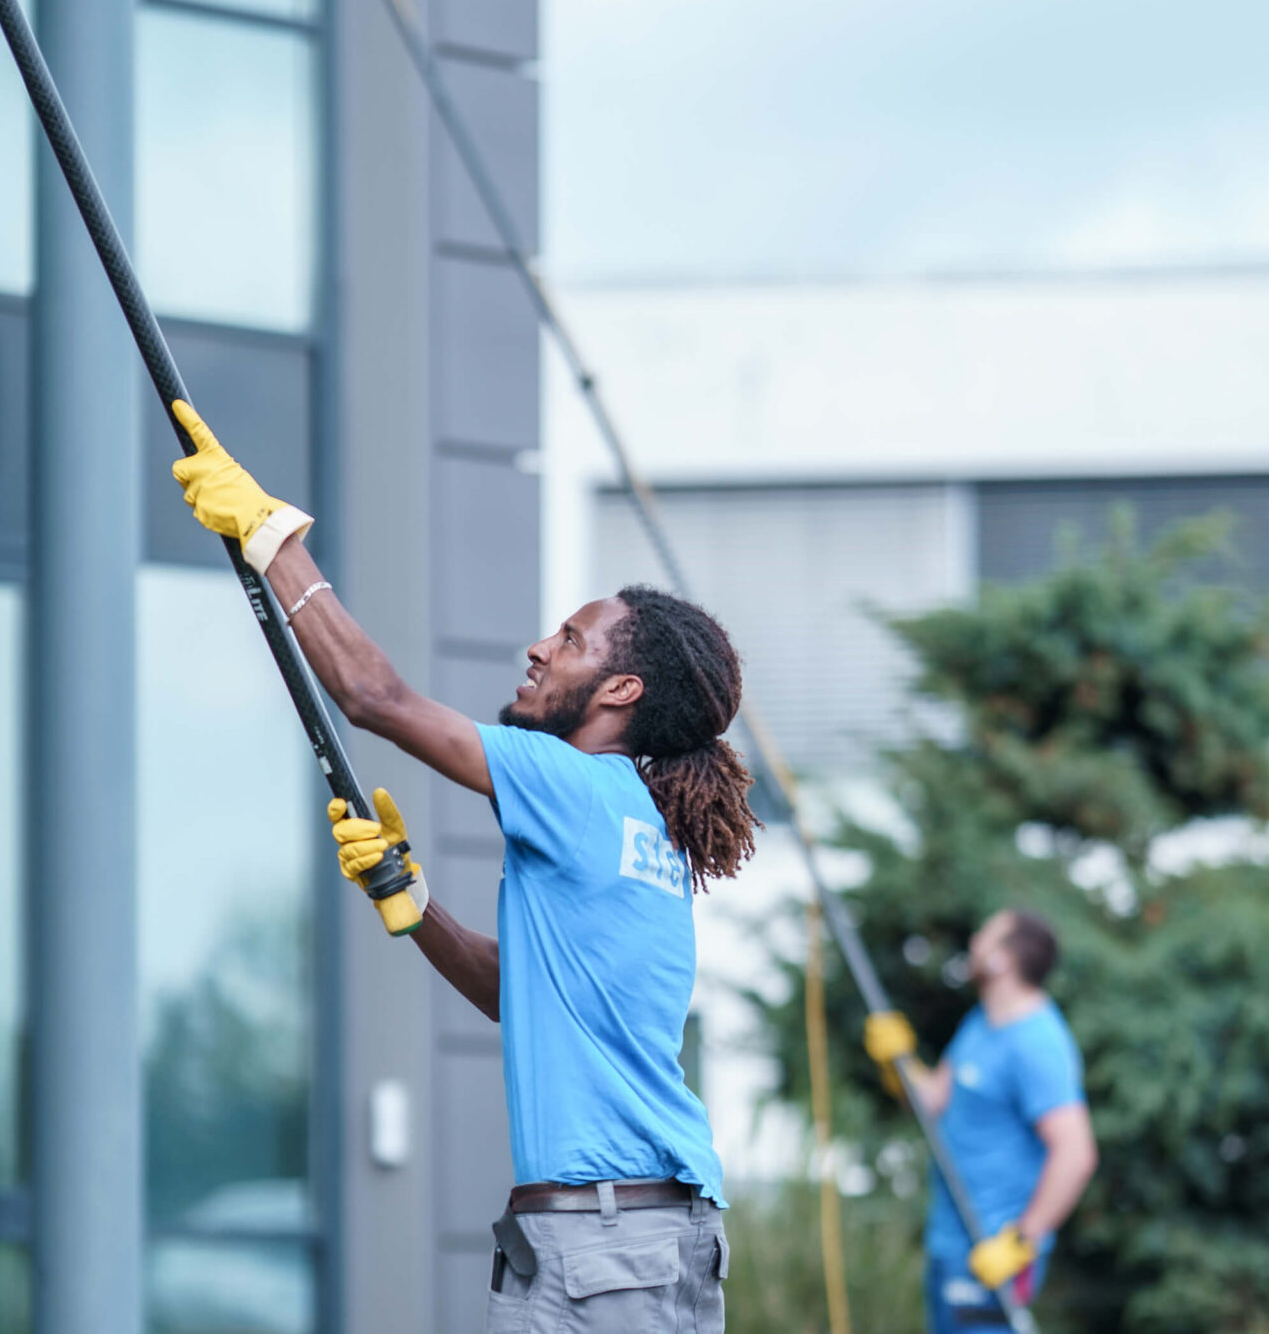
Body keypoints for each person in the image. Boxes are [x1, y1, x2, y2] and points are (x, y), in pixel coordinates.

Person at [166, 401, 757, 1333]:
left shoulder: (573, 782)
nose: (537, 646)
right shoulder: (644, 827)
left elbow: (373, 696)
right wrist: (413, 898)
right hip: (639, 1236)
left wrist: (270, 537)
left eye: (569, 639)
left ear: (620, 689)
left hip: (602, 1246)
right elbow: (517, 988)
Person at [869, 910, 1098, 1331]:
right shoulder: (982, 1023)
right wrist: (897, 1063)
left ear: (1003, 959)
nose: (974, 943)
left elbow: (1076, 1152)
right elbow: (934, 1100)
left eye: (986, 937)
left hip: (993, 1251)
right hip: (951, 1242)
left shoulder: (1037, 1039)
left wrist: (1021, 1242)